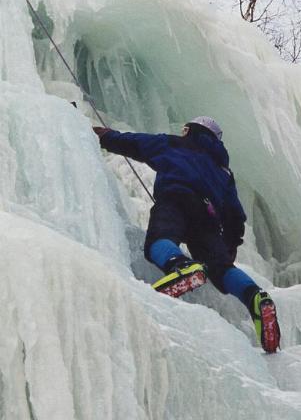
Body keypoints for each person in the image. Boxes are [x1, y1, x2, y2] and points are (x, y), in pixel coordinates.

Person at [93, 116, 280, 353]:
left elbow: (135, 143)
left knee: (159, 241)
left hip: (176, 198)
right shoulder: (223, 171)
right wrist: (229, 246)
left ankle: (180, 267)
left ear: (190, 130)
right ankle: (256, 297)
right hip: (209, 217)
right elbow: (235, 215)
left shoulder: (175, 144)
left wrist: (105, 135)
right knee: (220, 268)